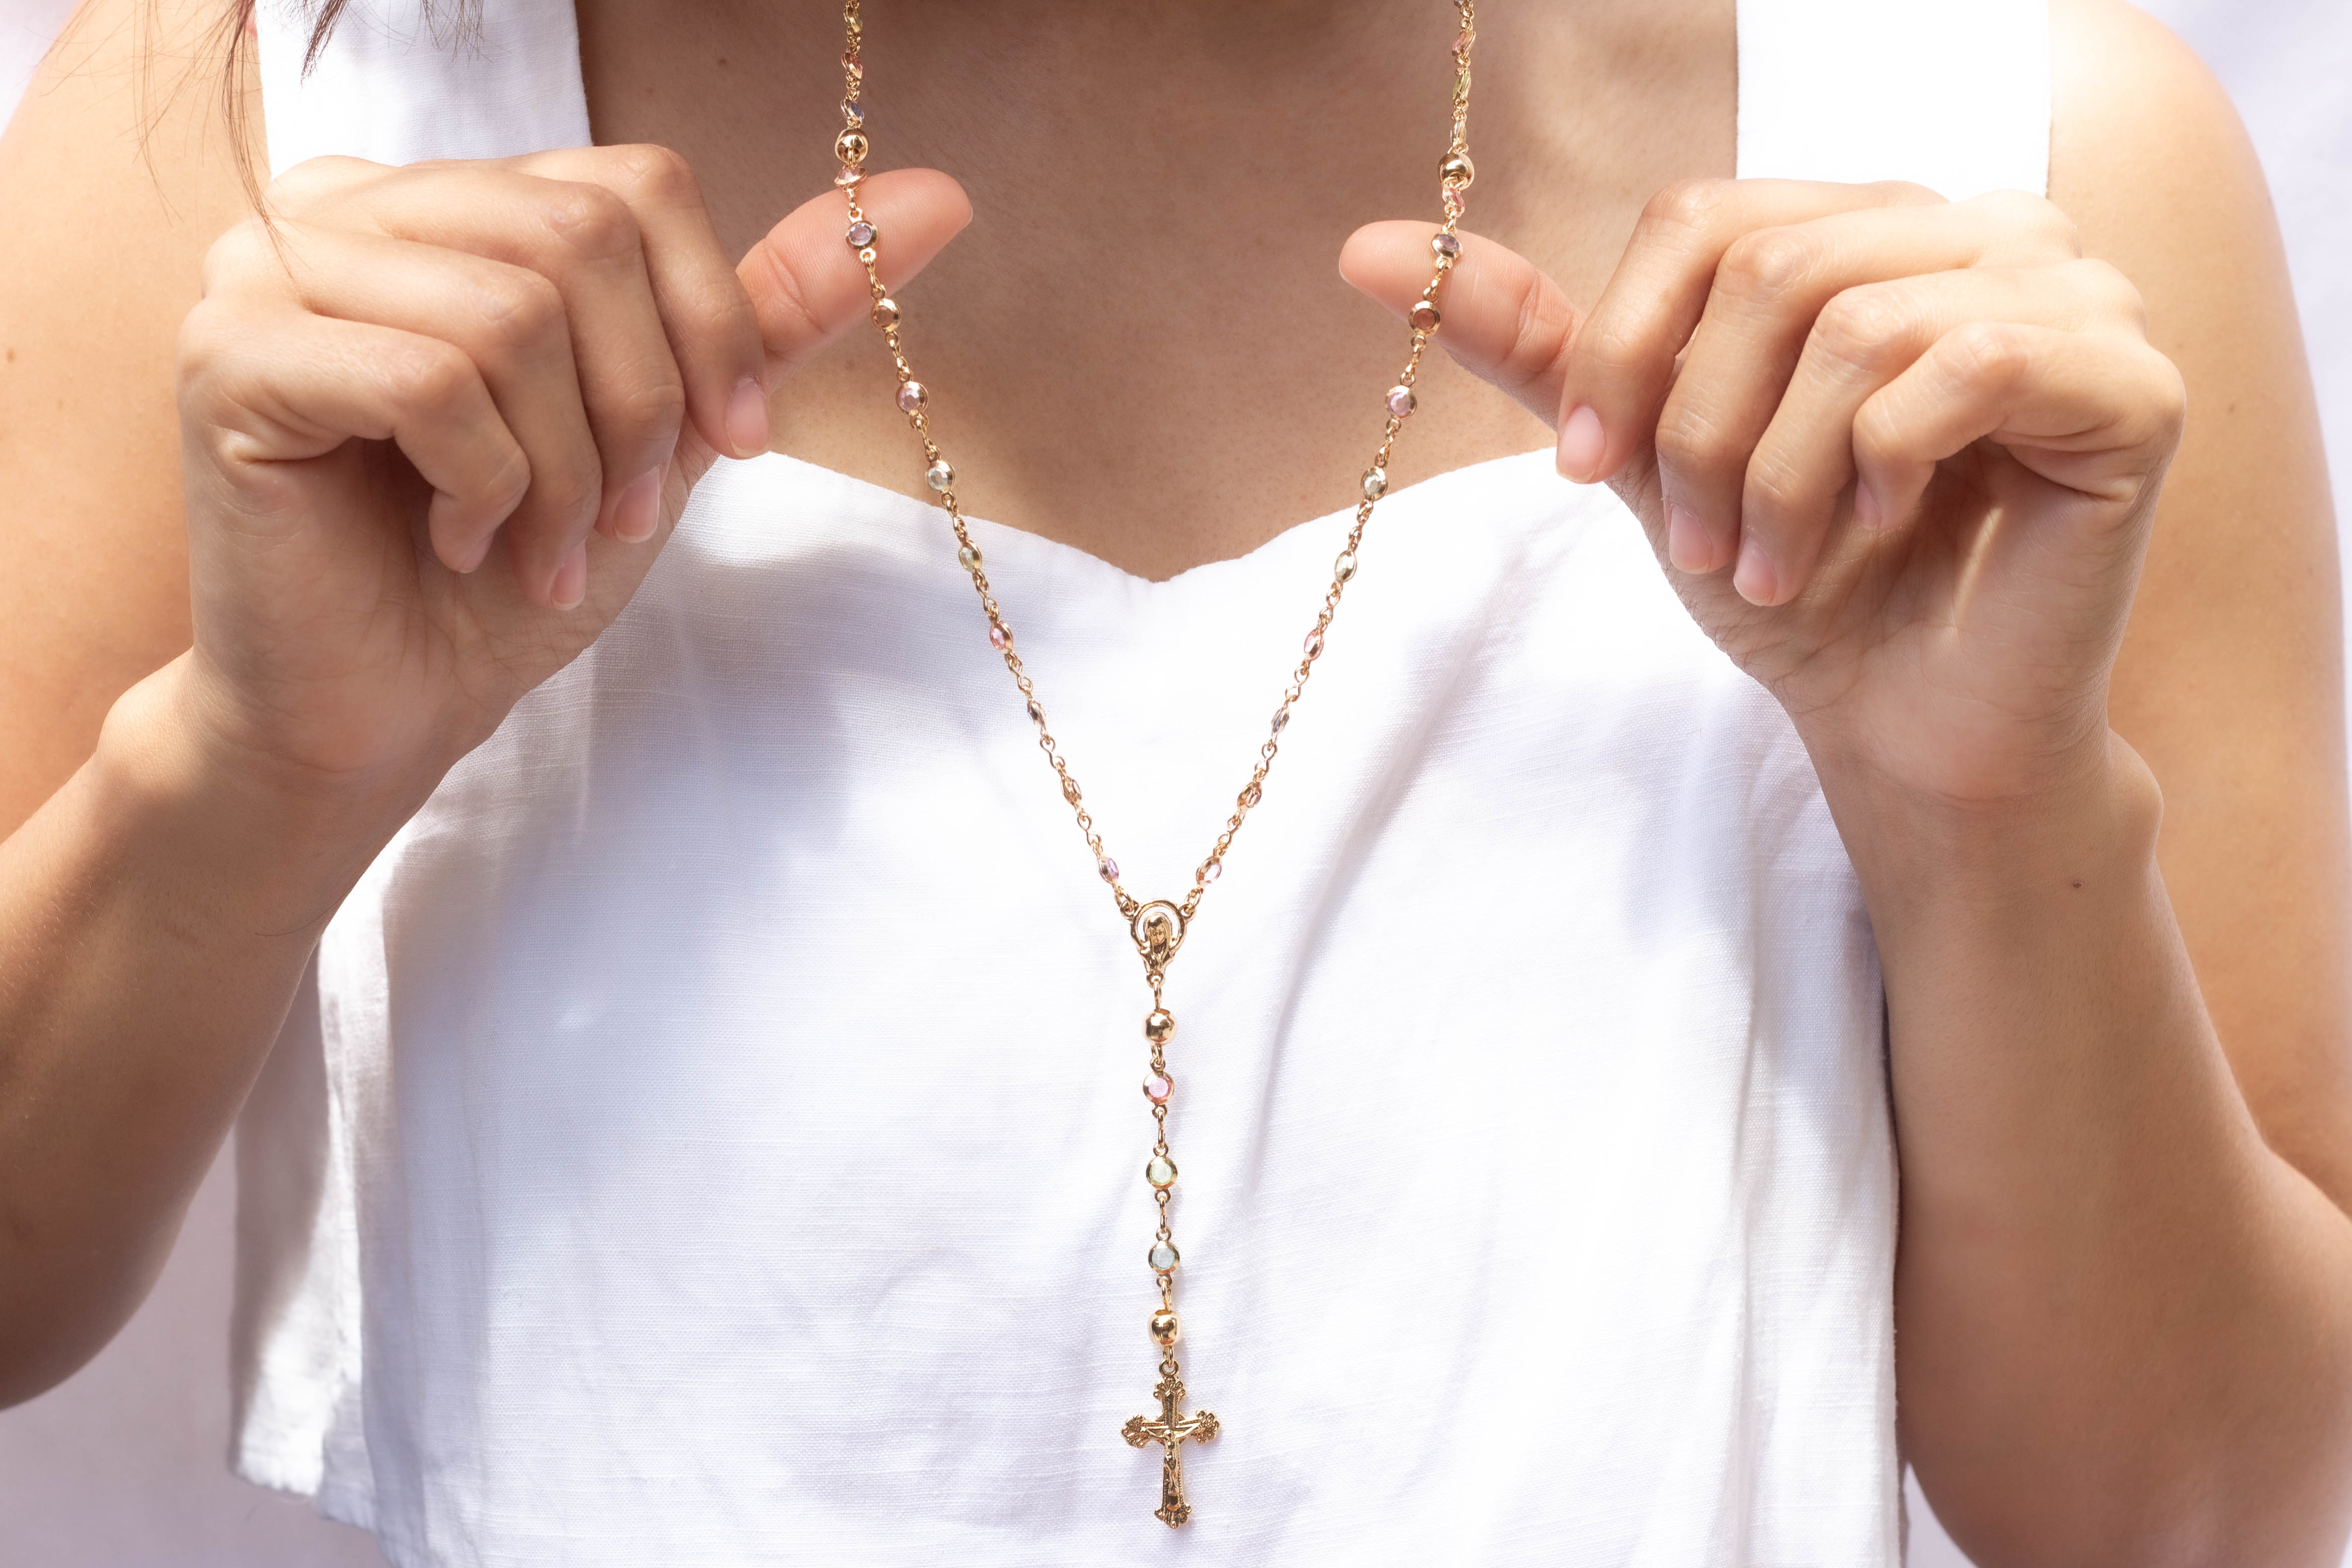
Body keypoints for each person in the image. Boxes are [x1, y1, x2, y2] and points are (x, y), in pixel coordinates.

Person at [1, 0, 2347, 1560]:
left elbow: (2208, 1506)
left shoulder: (2001, 189)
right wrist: (255, 762)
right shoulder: (287, 159)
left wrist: (1981, 808)